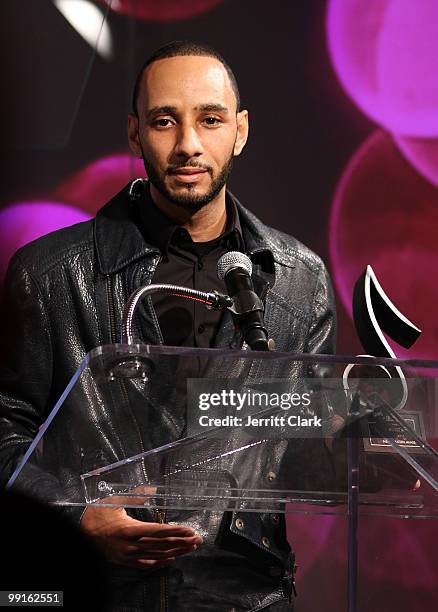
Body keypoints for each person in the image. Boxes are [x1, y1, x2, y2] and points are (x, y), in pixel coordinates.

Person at [0, 41, 336, 611]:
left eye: (210, 119)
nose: (188, 145)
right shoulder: (50, 273)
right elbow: (6, 428)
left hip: (243, 599)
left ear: (241, 130)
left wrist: (367, 437)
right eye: (164, 121)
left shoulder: (298, 280)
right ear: (135, 133)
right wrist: (77, 516)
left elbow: (304, 453)